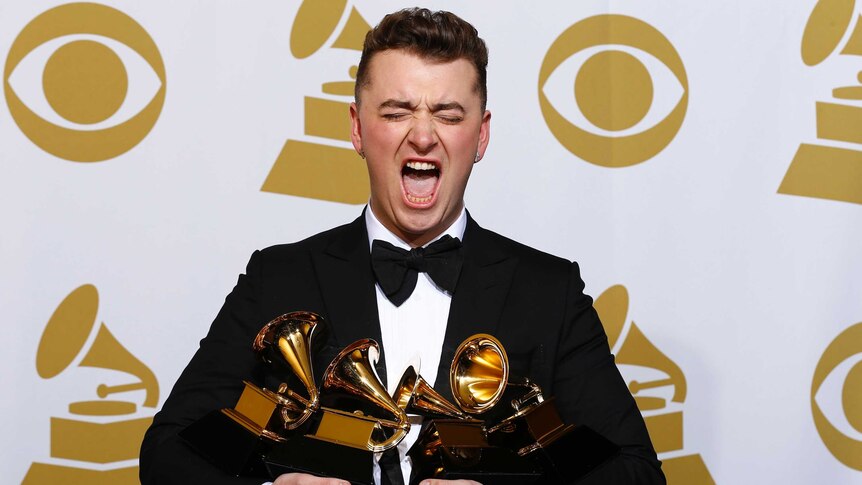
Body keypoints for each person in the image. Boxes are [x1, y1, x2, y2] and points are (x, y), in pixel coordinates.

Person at [140, 8, 665, 485]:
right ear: (357, 129)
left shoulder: (549, 290)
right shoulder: (277, 278)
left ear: (480, 137)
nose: (422, 136)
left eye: (448, 114)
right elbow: (167, 454)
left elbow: (635, 472)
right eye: (396, 112)